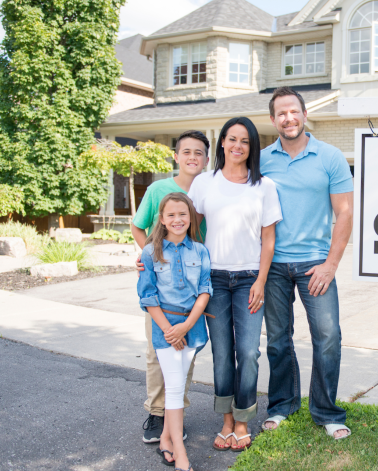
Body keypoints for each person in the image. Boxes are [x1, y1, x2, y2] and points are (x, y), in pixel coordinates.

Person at [259, 87, 354, 439]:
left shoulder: (329, 157)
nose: (288, 118)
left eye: (293, 111)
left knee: (328, 336)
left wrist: (331, 264)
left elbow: (344, 213)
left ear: (304, 114)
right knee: (277, 340)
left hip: (315, 263)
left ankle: (327, 412)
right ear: (273, 120)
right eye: (281, 113)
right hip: (273, 265)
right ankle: (282, 405)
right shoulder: (262, 159)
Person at [188, 117, 282, 451]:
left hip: (248, 281)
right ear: (223, 143)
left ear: (251, 147)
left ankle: (242, 420)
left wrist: (260, 280)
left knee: (248, 352)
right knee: (222, 354)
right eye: (232, 139)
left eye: (245, 141)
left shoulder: (264, 187)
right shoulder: (204, 183)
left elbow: (268, 239)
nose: (237, 146)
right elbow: (189, 227)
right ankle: (225, 421)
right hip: (212, 280)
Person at [131, 130, 210, 443]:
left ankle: (176, 410)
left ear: (206, 159)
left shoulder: (206, 190)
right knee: (157, 350)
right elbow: (139, 226)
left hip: (192, 285)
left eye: (199, 153)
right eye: (186, 151)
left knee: (184, 351)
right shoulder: (158, 188)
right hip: (160, 288)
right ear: (176, 156)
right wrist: (150, 254)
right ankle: (156, 411)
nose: (192, 157)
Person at [137, 192, 212, 471]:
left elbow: (205, 290)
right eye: (171, 215)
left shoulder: (200, 250)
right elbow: (147, 296)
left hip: (191, 328)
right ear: (162, 219)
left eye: (183, 214)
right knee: (175, 386)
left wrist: (187, 326)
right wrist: (170, 330)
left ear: (190, 217)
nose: (178, 219)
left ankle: (166, 438)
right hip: (165, 330)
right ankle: (180, 452)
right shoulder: (150, 251)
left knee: (177, 384)